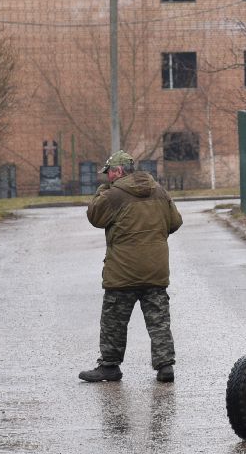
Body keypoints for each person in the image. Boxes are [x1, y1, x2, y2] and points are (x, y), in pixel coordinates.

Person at [78, 150, 183, 384]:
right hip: (156, 270)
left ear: (117, 171)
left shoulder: (113, 195)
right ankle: (165, 366)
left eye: (108, 173)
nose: (107, 178)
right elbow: (175, 222)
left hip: (123, 272)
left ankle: (109, 366)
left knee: (114, 320)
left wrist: (102, 191)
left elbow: (94, 216)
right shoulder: (159, 190)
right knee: (158, 320)